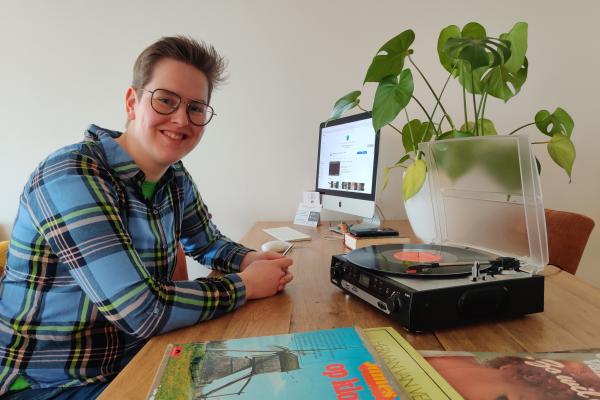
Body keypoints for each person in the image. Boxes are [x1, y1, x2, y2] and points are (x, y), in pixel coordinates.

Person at [0, 35, 293, 399]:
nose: (181, 119)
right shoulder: (71, 175)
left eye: (196, 108)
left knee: (276, 377)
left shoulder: (175, 176)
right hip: (51, 383)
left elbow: (207, 242)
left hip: (135, 357)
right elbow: (141, 310)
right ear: (132, 102)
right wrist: (245, 285)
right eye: (166, 100)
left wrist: (250, 259)